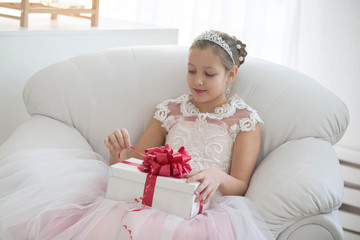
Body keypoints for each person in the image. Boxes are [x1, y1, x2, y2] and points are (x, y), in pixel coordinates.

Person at [0, 30, 274, 240]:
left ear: (231, 74)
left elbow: (240, 183)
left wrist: (217, 176)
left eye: (209, 74)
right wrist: (117, 153)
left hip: (204, 209)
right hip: (156, 197)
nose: (197, 81)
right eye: (191, 71)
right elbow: (135, 161)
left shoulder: (244, 120)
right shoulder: (170, 110)